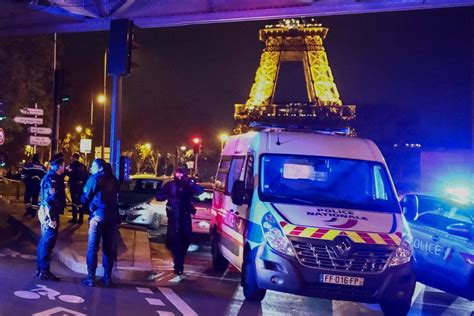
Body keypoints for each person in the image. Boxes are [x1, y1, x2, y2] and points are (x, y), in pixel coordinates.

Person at [155, 167, 203, 275]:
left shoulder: (187, 185)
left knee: (185, 240)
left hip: (185, 216)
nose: (179, 176)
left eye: (181, 174)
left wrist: (190, 183)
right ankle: (178, 265)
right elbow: (159, 196)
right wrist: (168, 195)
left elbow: (199, 191)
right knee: (174, 241)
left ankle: (180, 263)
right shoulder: (170, 185)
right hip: (174, 218)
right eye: (178, 174)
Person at [81, 159, 120, 287]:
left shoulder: (95, 178)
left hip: (98, 216)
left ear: (98, 168)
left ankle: (91, 277)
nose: (91, 168)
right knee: (108, 248)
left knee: (92, 247)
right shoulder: (113, 179)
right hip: (112, 217)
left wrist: (82, 201)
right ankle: (107, 278)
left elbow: (85, 197)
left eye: (92, 166)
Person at [36, 155, 66, 281]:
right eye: (63, 165)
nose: (65, 167)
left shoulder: (52, 177)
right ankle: (44, 271)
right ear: (58, 166)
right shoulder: (52, 179)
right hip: (49, 213)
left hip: (46, 212)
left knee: (44, 241)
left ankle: (41, 269)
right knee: (47, 242)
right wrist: (52, 218)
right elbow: (50, 201)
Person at [66, 152, 88, 224]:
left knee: (74, 202)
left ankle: (74, 218)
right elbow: (86, 176)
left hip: (73, 185)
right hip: (81, 186)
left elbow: (67, 174)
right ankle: (80, 219)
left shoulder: (71, 166)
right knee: (80, 201)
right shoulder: (83, 166)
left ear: (74, 157)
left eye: (72, 157)